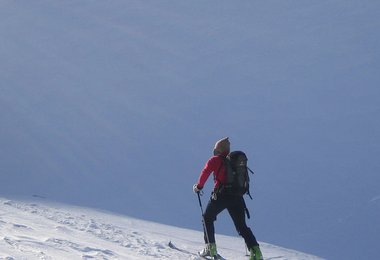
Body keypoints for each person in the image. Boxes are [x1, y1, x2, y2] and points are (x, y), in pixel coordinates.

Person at [193, 137, 263, 260]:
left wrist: (198, 187)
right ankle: (256, 252)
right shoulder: (234, 162)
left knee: (207, 218)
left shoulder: (215, 160)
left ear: (218, 150)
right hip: (237, 197)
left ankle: (210, 248)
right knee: (241, 226)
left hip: (221, 195)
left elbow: (205, 173)